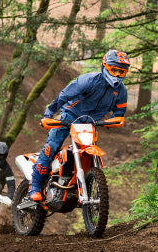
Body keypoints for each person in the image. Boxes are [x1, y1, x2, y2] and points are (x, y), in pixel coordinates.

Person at [28, 49, 130, 201]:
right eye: (113, 70)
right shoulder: (89, 80)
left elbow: (119, 112)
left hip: (90, 123)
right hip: (69, 115)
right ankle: (34, 186)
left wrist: (113, 121)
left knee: (87, 154)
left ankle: (78, 187)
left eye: (121, 72)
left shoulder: (121, 91)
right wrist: (48, 114)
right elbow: (64, 95)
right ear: (105, 66)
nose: (116, 75)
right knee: (51, 147)